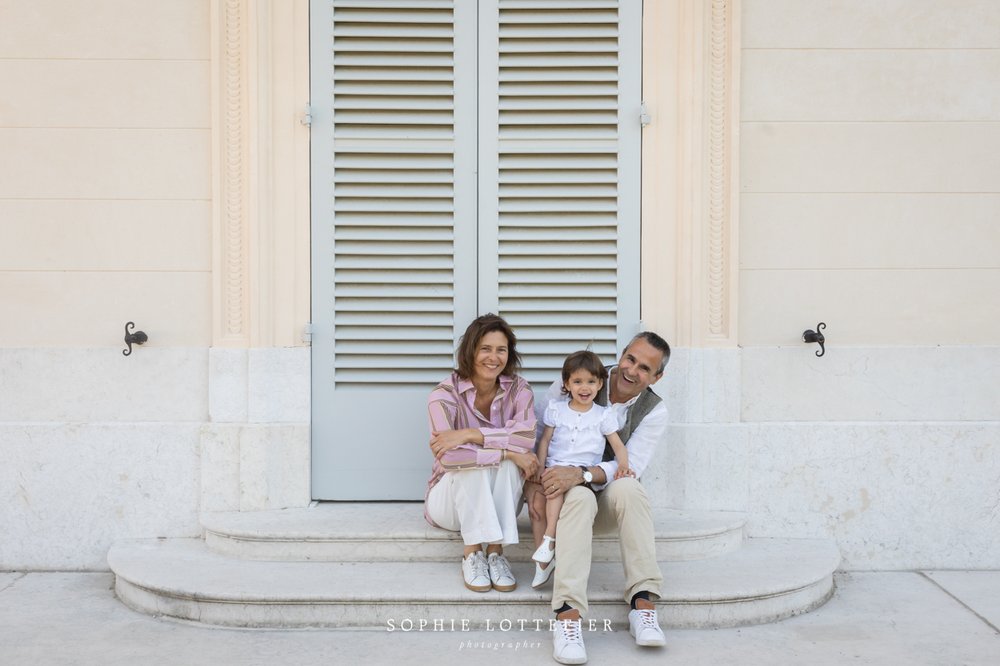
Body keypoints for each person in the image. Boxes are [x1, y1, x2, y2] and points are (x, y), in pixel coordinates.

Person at [539, 332, 672, 665]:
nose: (632, 370)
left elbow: (631, 467)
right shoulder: (583, 375)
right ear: (622, 354)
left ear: (657, 377)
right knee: (581, 499)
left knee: (631, 489)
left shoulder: (654, 411)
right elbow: (541, 434)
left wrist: (583, 473)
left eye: (645, 368)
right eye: (630, 359)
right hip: (566, 500)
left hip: (608, 496)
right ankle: (567, 615)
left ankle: (643, 603)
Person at [424, 314, 539, 593]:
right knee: (478, 465)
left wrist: (469, 435)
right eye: (485, 349)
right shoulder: (443, 395)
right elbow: (449, 458)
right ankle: (473, 552)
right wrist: (507, 453)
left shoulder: (519, 390)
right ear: (470, 351)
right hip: (449, 504)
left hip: (497, 499)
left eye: (501, 350)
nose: (493, 357)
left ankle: (496, 553)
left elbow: (526, 438)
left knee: (508, 465)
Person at [523, 350, 632, 590]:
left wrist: (624, 466)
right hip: (553, 467)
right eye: (578, 381)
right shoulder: (556, 409)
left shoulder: (603, 415)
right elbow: (544, 441)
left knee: (552, 494)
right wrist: (539, 469)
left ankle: (549, 541)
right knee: (537, 506)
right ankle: (544, 562)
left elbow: (617, 446)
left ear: (600, 383)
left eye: (591, 381)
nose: (585, 387)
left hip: (579, 475)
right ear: (566, 384)